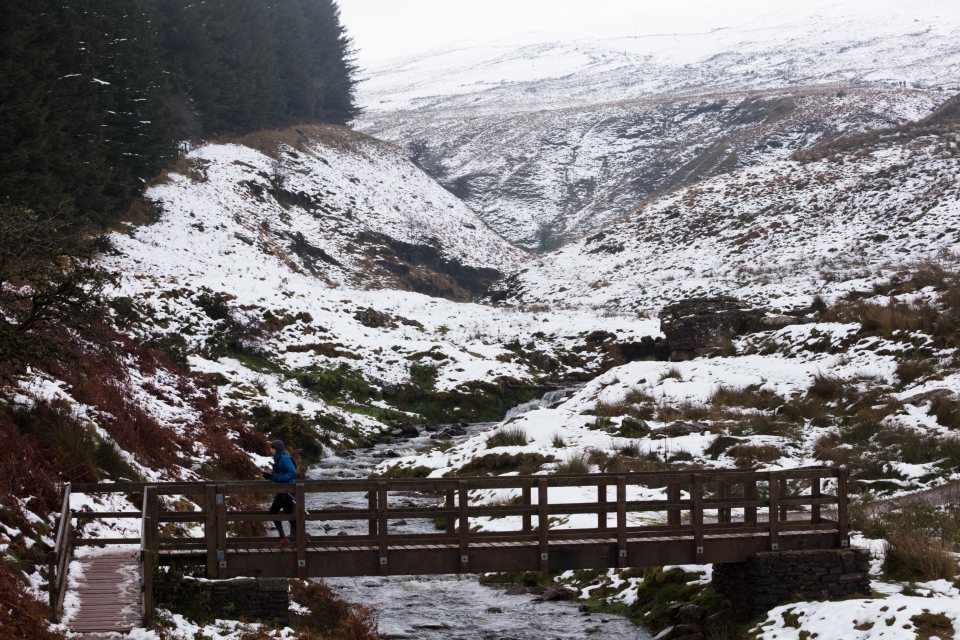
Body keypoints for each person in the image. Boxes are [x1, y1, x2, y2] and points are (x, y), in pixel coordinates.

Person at [263, 439, 297, 542]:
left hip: (287, 490)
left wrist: (276, 477)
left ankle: (283, 537)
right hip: (285, 489)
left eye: (271, 447)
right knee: (288, 513)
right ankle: (302, 535)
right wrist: (270, 476)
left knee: (274, 511)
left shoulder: (284, 459)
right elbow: (281, 473)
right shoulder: (278, 458)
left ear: (276, 449)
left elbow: (293, 473)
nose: (270, 449)